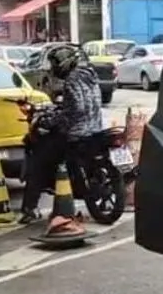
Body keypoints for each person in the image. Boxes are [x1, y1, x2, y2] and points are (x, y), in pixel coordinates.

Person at [18, 44, 103, 224]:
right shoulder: (90, 76)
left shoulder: (72, 80)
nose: (54, 68)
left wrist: (50, 121)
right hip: (95, 129)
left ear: (64, 63)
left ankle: (30, 208)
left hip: (76, 132)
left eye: (55, 63)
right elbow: (80, 104)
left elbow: (76, 109)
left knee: (40, 161)